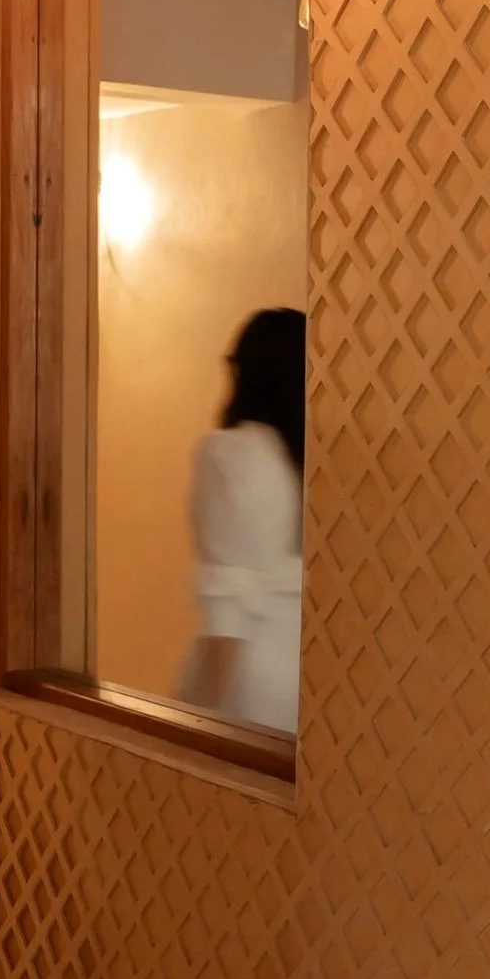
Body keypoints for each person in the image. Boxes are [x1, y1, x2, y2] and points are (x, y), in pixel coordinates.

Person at [176, 305, 304, 735]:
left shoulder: (229, 454)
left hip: (248, 676)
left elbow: (228, 602)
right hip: (314, 680)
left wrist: (200, 724)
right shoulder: (315, 459)